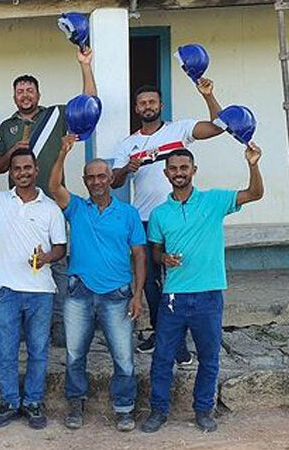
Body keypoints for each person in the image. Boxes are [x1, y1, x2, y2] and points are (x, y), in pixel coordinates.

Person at [141, 145, 264, 433]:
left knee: (209, 358)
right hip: (173, 297)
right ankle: (158, 411)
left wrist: (254, 165)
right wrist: (164, 259)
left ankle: (203, 410)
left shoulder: (214, 201)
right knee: (162, 358)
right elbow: (155, 252)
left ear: (193, 170)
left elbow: (255, 193)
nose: (179, 173)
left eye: (184, 168)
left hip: (208, 294)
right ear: (166, 173)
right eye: (173, 169)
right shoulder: (159, 214)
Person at [0, 48, 96, 347]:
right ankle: (27, 326)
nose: (24, 95)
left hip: (53, 203)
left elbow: (89, 104)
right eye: (19, 91)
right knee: (21, 263)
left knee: (58, 265)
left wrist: (85, 66)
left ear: (38, 93)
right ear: (14, 98)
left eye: (29, 90)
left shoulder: (56, 116)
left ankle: (60, 326)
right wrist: (15, 149)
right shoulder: (6, 126)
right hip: (19, 209)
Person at [111, 82, 224, 360]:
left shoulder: (179, 129)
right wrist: (127, 168)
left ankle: (178, 341)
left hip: (179, 221)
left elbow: (218, 126)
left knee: (176, 280)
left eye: (152, 101)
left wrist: (208, 95)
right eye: (142, 103)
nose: (147, 106)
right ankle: (165, 334)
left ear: (161, 105)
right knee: (150, 282)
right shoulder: (128, 144)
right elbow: (114, 181)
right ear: (136, 108)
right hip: (145, 222)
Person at [0, 148, 66, 430]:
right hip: (6, 291)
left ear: (36, 169)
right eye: (17, 169)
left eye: (27, 168)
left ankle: (33, 402)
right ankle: (8, 403)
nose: (22, 173)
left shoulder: (51, 207)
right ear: (11, 172)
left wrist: (47, 258)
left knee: (38, 350)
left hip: (41, 292)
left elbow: (60, 249)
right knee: (5, 351)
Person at [48, 135, 146, 432]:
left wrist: (137, 295)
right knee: (75, 353)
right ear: (85, 181)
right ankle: (76, 404)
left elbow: (140, 257)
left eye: (102, 175)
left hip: (118, 293)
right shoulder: (77, 208)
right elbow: (53, 187)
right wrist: (63, 152)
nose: (97, 181)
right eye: (90, 177)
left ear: (111, 178)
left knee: (123, 356)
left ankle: (124, 408)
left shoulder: (128, 213)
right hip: (79, 292)